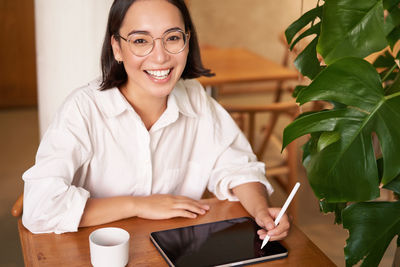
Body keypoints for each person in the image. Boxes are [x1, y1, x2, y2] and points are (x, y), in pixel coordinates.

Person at [22, 0, 290, 243]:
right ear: (117, 47)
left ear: (187, 41)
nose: (160, 56)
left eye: (172, 38)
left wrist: (260, 211)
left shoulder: (195, 97)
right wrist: (137, 205)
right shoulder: (83, 109)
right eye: (141, 41)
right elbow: (40, 207)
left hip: (174, 249)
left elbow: (237, 166)